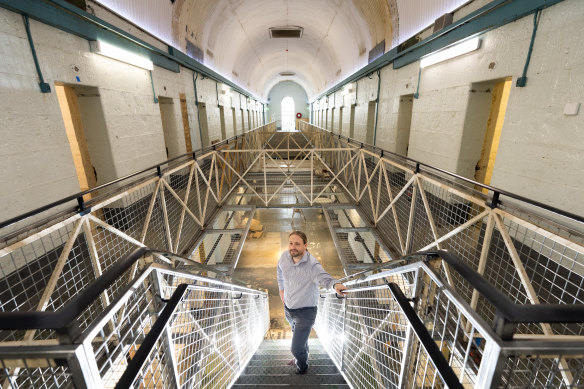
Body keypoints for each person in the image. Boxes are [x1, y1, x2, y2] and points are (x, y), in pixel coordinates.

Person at [277, 230, 347, 375]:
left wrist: (335, 285)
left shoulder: (312, 264)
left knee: (295, 348)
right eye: (291, 243)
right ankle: (302, 356)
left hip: (306, 312)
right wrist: (281, 289)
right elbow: (279, 272)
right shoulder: (284, 257)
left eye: (297, 244)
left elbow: (324, 277)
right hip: (289, 308)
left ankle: (302, 365)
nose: (293, 247)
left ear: (305, 245)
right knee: (299, 338)